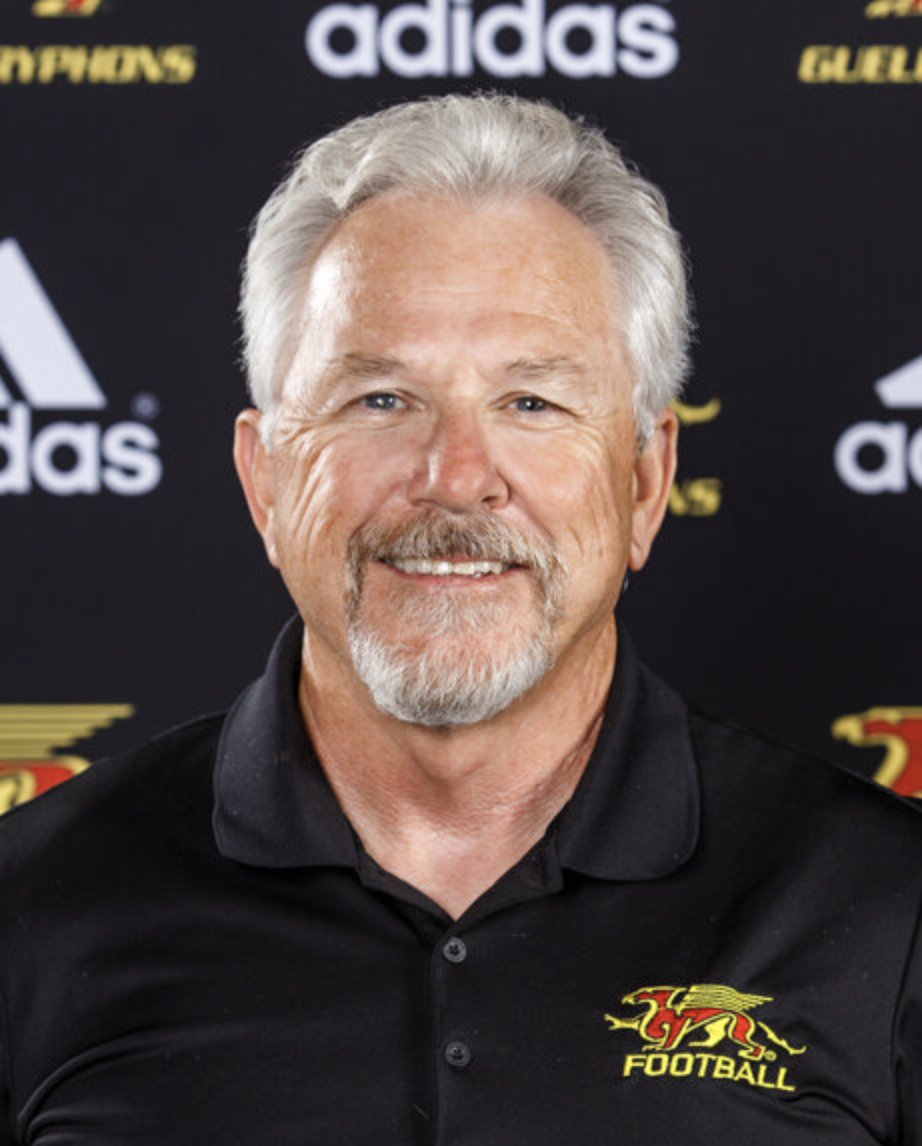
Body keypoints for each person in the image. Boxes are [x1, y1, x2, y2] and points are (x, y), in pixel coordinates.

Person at [1, 93, 921, 1145]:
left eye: (531, 403)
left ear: (643, 485)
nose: (454, 476)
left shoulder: (884, 903)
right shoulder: (30, 904)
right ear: (265, 481)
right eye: (380, 400)